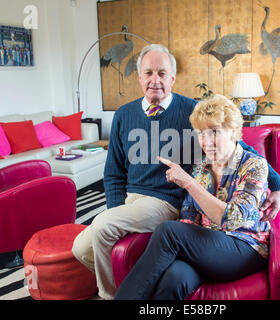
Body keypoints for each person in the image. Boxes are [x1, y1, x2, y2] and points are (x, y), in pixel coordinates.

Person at [72, 44, 280, 300]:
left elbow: (238, 148)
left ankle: (112, 296)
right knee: (81, 248)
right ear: (139, 77)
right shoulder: (126, 117)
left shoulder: (191, 113)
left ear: (172, 78)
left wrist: (279, 186)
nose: (155, 80)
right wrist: (117, 212)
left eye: (162, 73)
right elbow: (114, 173)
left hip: (168, 204)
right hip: (143, 206)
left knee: (126, 229)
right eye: (148, 73)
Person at [114, 94, 270, 300]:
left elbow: (233, 219)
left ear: (233, 132)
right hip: (206, 248)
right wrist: (186, 244)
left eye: (214, 132)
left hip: (244, 248)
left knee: (169, 231)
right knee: (174, 279)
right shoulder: (201, 167)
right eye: (201, 134)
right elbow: (189, 213)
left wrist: (188, 183)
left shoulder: (254, 166)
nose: (207, 142)